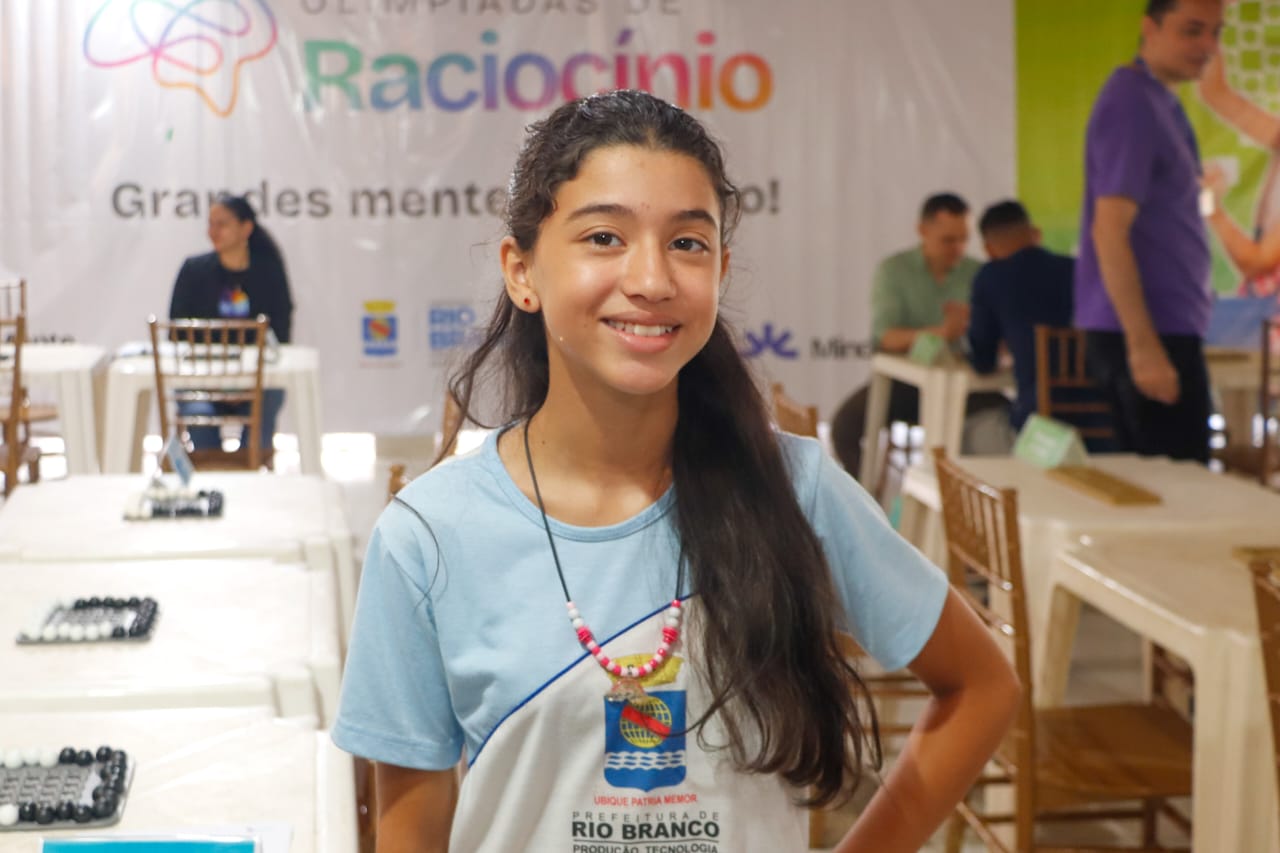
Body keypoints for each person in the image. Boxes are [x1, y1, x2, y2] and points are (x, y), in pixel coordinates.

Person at [331, 91, 1018, 852]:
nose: (652, 279)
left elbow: (981, 686)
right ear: (521, 270)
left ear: (720, 271)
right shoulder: (427, 536)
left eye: (688, 244)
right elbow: (408, 816)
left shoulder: (794, 490)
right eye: (604, 236)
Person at [1075, 0, 1224, 464]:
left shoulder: (1160, 101)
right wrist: (1143, 348)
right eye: (1192, 30)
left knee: (1177, 494)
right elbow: (1109, 230)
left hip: (1164, 328)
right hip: (1145, 333)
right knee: (1177, 502)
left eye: (1215, 33)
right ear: (1149, 28)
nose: (1207, 46)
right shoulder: (1131, 102)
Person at [829, 192, 1003, 481]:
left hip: (965, 385)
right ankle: (865, 503)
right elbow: (886, 338)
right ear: (923, 231)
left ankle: (970, 505)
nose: (957, 248)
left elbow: (998, 342)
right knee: (845, 427)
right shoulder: (895, 271)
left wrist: (978, 328)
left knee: (1004, 426)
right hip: (905, 383)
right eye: (948, 240)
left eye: (963, 239)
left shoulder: (980, 273)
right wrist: (942, 332)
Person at [168, 193, 293, 457]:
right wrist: (217, 382)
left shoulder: (269, 272)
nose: (213, 231)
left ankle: (252, 475)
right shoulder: (193, 270)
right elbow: (177, 332)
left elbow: (280, 333)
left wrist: (244, 381)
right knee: (197, 412)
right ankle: (211, 479)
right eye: (210, 223)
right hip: (201, 382)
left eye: (222, 224)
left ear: (246, 228)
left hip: (255, 383)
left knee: (266, 402)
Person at [967, 200, 1075, 432]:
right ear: (1035, 234)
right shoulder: (1075, 269)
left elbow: (983, 361)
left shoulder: (991, 278)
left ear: (988, 249)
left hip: (1039, 419)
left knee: (967, 433)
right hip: (1105, 412)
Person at [1198, 49, 1280, 351]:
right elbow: (1215, 93)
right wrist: (1212, 23)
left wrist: (1212, 207)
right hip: (1257, 320)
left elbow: (1255, 263)